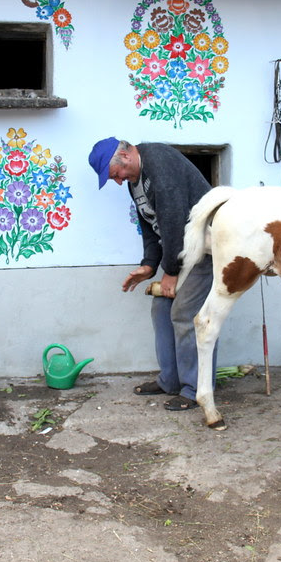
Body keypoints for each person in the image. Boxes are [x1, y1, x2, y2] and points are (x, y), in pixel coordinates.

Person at [88, 137, 216, 411]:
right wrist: (149, 264)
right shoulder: (135, 181)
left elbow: (172, 218)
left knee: (185, 315)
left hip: (205, 251)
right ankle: (170, 381)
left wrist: (169, 272)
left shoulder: (158, 161)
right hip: (183, 254)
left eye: (116, 175)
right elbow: (150, 225)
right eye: (115, 179)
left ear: (124, 156)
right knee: (161, 308)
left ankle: (195, 389)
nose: (119, 181)